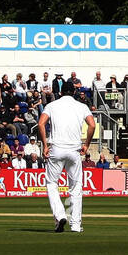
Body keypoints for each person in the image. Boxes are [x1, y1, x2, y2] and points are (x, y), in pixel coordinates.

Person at [38, 91, 96, 234]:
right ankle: (75, 225)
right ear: (74, 93)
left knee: (52, 183)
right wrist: (87, 144)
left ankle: (60, 215)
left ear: (60, 92)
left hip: (56, 148)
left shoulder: (52, 105)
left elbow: (41, 123)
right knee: (76, 187)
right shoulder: (81, 106)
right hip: (74, 150)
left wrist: (45, 145)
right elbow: (92, 125)